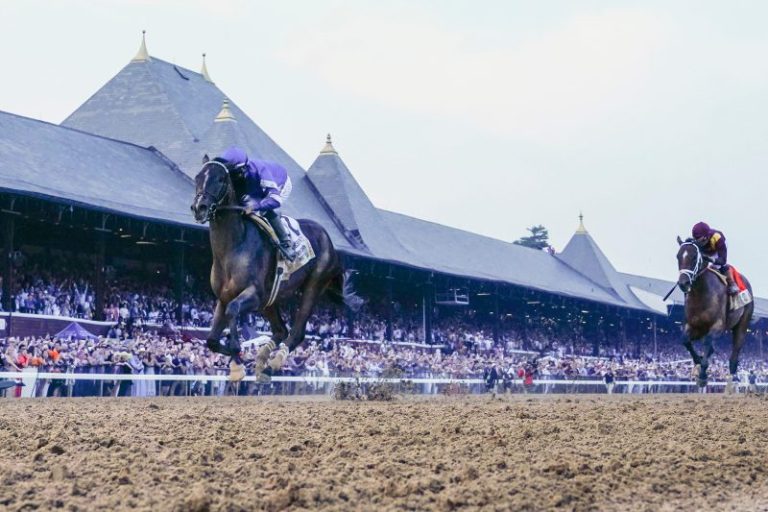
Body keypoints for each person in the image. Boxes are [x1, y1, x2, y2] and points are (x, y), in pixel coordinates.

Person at [219, 147, 297, 261]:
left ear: (243, 168)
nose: (231, 176)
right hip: (255, 186)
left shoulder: (261, 171)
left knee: (264, 209)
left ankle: (285, 242)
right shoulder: (239, 172)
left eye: (233, 173)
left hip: (280, 183)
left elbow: (275, 200)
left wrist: (254, 207)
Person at [691, 221, 739, 295]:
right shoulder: (697, 241)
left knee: (718, 266)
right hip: (706, 250)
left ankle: (731, 283)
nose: (699, 244)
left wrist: (712, 259)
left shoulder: (718, 238)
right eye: (697, 241)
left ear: (706, 237)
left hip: (716, 249)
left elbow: (723, 260)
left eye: (701, 241)